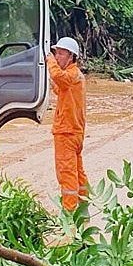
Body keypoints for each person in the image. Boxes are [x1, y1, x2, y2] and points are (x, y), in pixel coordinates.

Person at [46, 36, 88, 212]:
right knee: (78, 172)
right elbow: (60, 87)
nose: (57, 57)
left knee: (66, 173)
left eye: (60, 54)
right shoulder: (76, 76)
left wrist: (48, 61)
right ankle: (83, 207)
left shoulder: (70, 74)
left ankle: (70, 213)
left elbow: (59, 77)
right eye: (55, 53)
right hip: (76, 132)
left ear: (71, 56)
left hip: (67, 132)